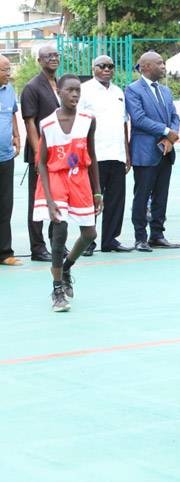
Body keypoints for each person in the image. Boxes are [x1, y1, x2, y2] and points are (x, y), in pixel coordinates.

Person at [32, 74, 102, 312]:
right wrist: (50, 200)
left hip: (80, 178)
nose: (75, 95)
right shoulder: (47, 124)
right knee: (59, 229)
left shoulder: (88, 120)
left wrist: (98, 192)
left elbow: (92, 158)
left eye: (78, 91)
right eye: (70, 90)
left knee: (90, 233)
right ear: (59, 92)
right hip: (56, 178)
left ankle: (67, 267)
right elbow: (41, 162)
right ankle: (57, 289)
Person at [126, 51, 180, 252]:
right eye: (160, 63)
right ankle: (140, 237)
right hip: (145, 152)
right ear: (146, 67)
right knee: (142, 195)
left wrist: (169, 137)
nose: (164, 66)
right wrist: (166, 131)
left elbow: (175, 116)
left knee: (161, 195)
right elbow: (139, 119)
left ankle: (157, 234)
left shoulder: (165, 91)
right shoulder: (132, 90)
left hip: (166, 151)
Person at [78, 55, 133, 253]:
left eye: (110, 66)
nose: (107, 69)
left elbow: (123, 123)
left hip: (117, 153)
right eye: (102, 66)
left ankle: (110, 240)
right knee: (92, 197)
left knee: (117, 199)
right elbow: (78, 122)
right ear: (93, 68)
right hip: (95, 155)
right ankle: (87, 242)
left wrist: (127, 153)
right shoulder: (84, 90)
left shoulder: (119, 91)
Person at [21, 45, 60, 262]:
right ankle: (37, 248)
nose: (53, 58)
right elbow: (30, 123)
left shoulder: (61, 84)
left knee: (58, 199)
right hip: (42, 155)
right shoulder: (32, 87)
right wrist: (38, 155)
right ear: (39, 60)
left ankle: (56, 243)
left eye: (56, 55)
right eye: (48, 56)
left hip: (60, 152)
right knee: (37, 202)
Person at [0, 54, 22, 266]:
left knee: (5, 205)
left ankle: (5, 252)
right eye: (5, 70)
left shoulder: (9, 91)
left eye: (9, 69)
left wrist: (16, 135)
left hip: (5, 157)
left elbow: (12, 114)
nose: (9, 74)